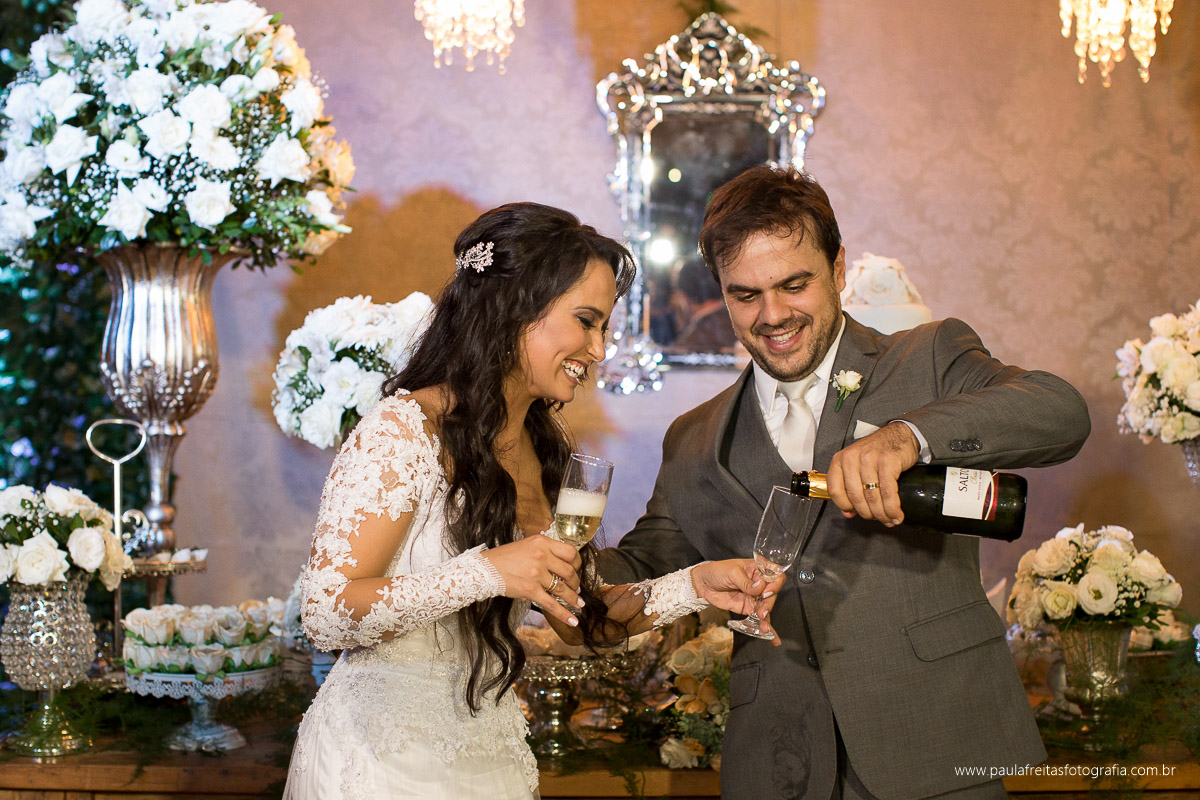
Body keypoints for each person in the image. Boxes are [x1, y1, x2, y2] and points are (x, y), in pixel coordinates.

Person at [596, 166, 1092, 800]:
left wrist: (909, 436)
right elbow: (632, 576)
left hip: (935, 745)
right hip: (774, 766)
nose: (772, 316)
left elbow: (1060, 412)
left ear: (836, 270)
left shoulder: (929, 358)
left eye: (794, 284)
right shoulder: (693, 439)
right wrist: (524, 532)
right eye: (745, 294)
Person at [283, 202, 776, 800]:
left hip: (493, 758)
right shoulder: (401, 430)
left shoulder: (546, 449)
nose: (597, 349)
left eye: (604, 329)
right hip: (379, 763)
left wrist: (696, 585)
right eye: (586, 321)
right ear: (514, 311)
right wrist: (487, 571)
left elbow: (583, 621)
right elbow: (328, 613)